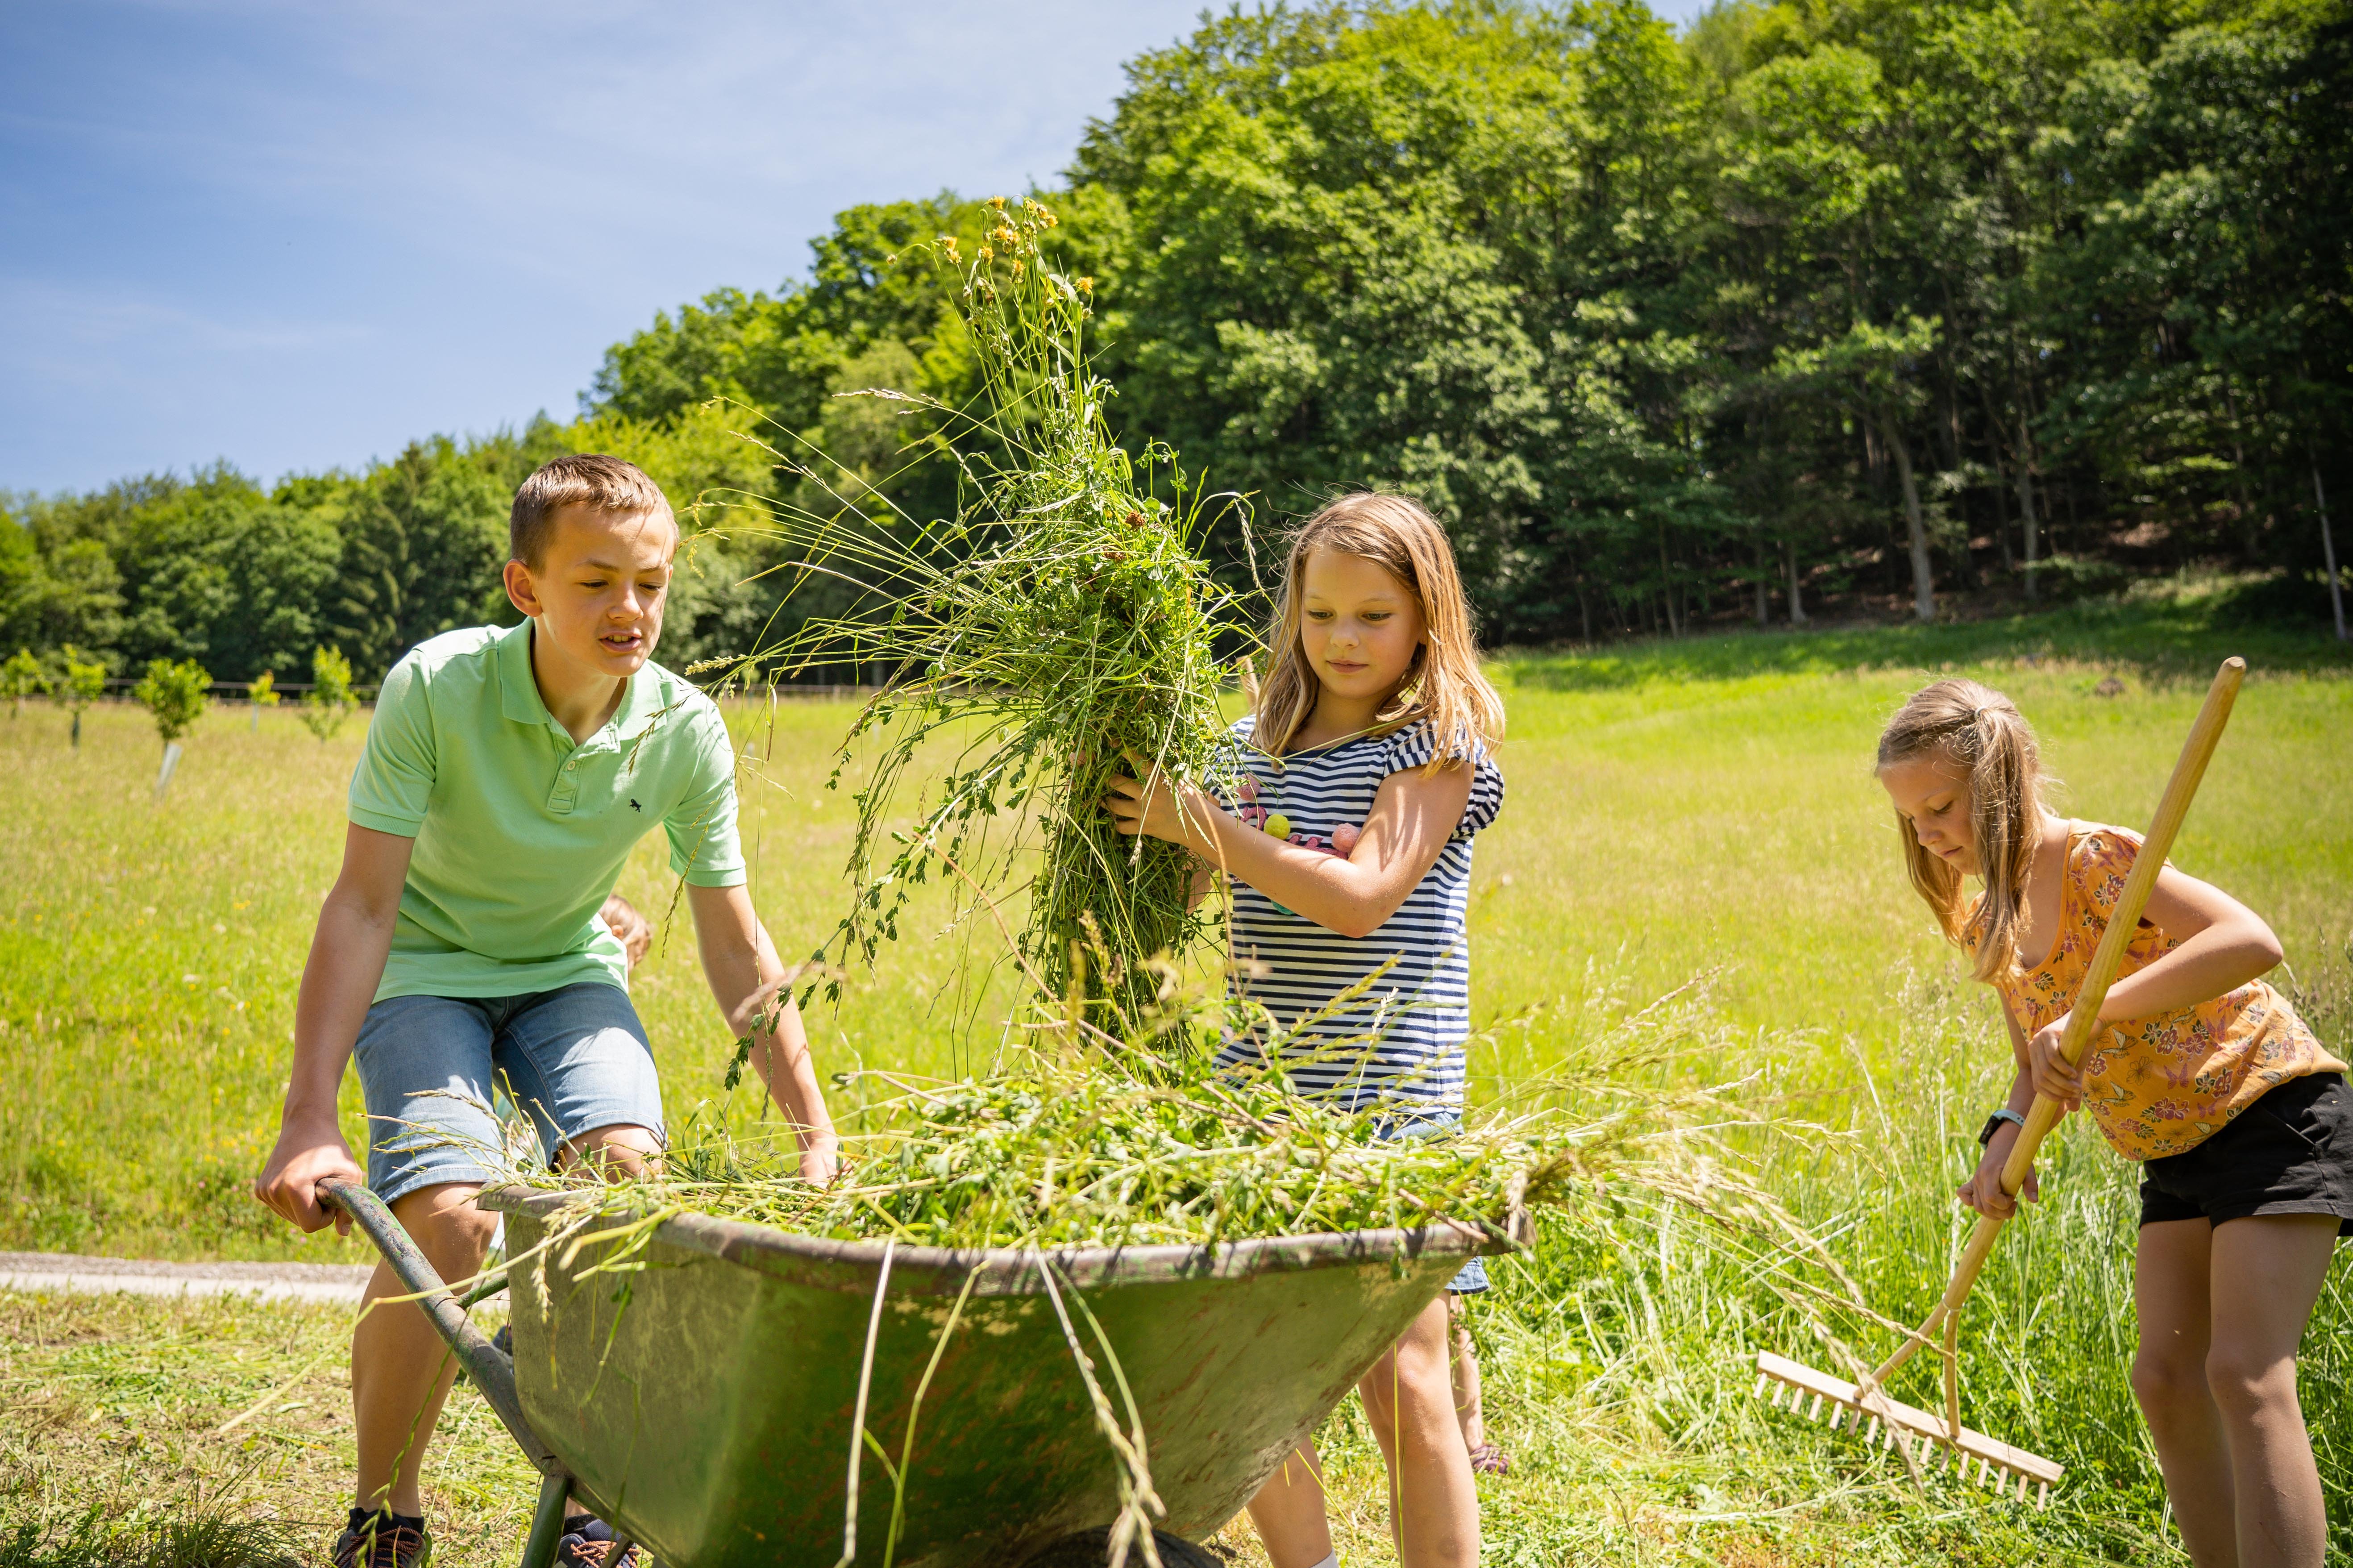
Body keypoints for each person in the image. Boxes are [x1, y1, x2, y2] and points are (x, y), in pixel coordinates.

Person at [252, 454, 839, 1568]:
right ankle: (386, 1506)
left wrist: (812, 1126)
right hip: (424, 966)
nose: (631, 610)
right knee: (451, 1219)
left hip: (569, 969)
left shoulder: (682, 726)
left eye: (652, 584)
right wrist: (307, 1115)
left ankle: (592, 1503)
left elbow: (733, 939)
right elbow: (366, 903)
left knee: (625, 1190)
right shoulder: (437, 686)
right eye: (596, 581)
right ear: (526, 587)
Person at [1105, 491, 1505, 1568]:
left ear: (1427, 616)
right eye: (1319, 612)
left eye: (1372, 615)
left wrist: (1204, 822)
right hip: (1261, 1089)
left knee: (1401, 1370)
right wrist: (1150, 803)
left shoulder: (1436, 743)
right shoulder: (1249, 744)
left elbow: (1362, 895)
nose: (1341, 639)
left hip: (1392, 1090)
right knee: (1253, 1366)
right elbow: (1192, 890)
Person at [1878, 678, 2348, 1568]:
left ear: (1998, 781)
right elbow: (2033, 1061)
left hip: (2267, 1108)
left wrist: (2102, 1011)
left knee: (2244, 1374)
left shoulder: (2095, 858)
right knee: (2164, 1379)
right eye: (1910, 819)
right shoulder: (1992, 917)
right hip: (2170, 1149)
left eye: (1937, 806)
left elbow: (2249, 938)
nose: (1927, 832)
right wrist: (2000, 1141)